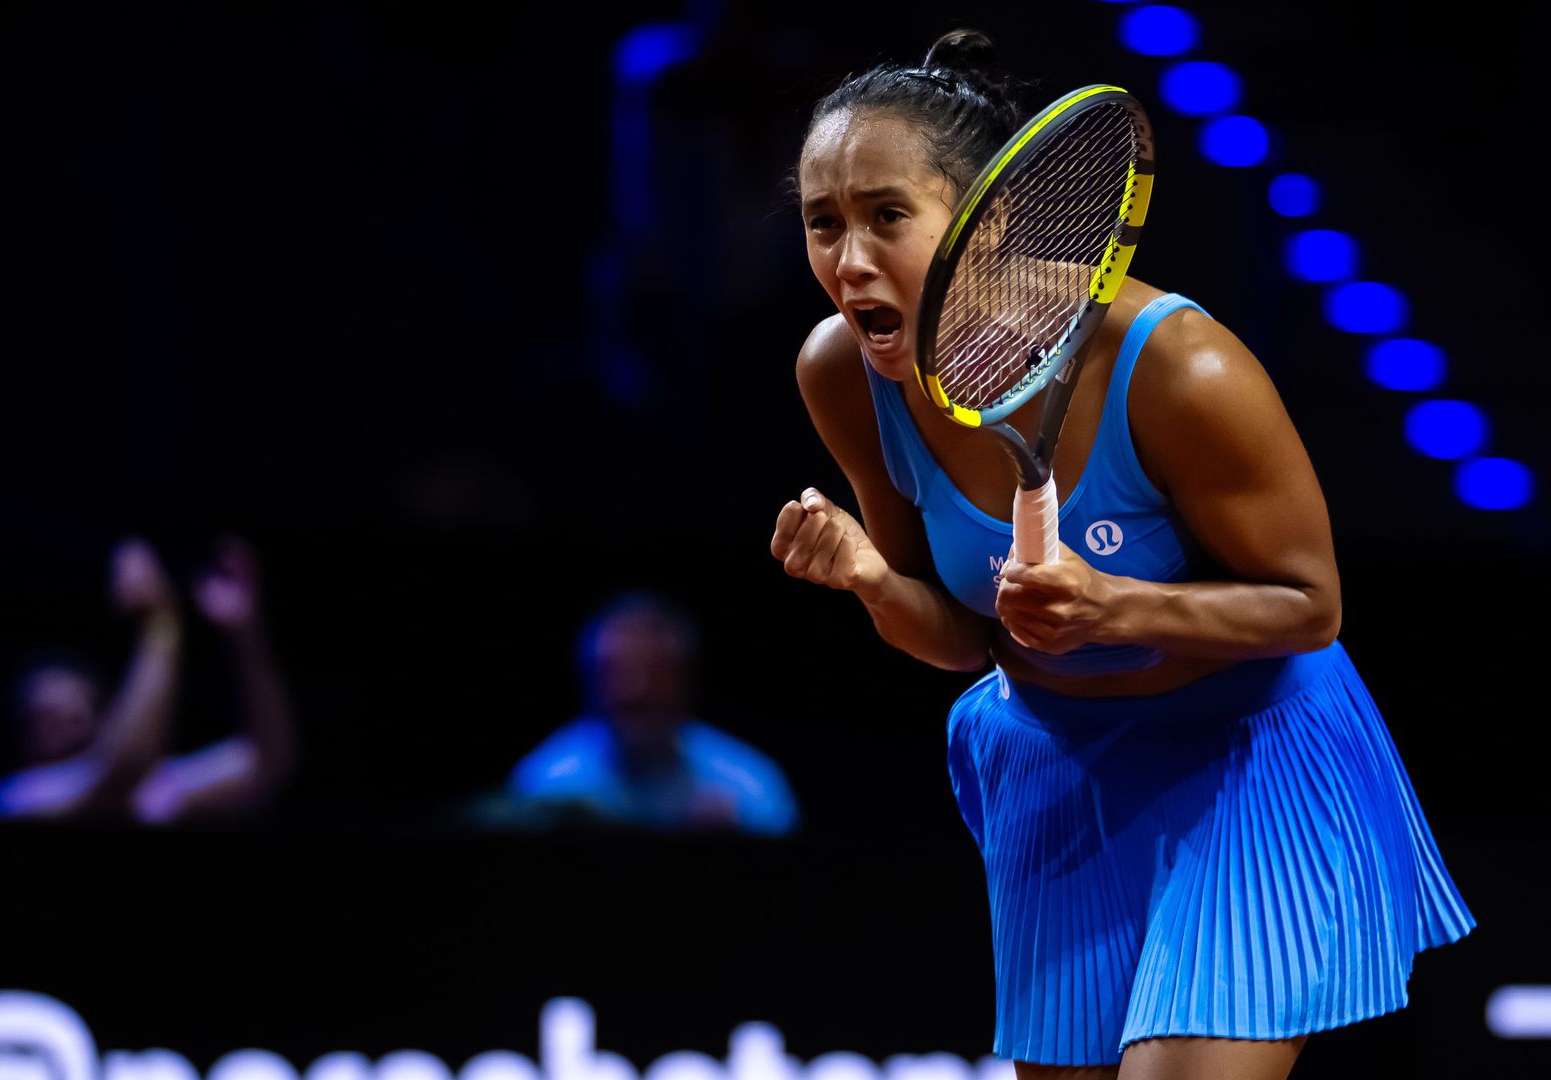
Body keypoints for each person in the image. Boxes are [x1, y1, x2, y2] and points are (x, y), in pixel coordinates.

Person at [768, 29, 1475, 1080]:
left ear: (991, 219)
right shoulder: (841, 373)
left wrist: (1116, 608)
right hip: (1060, 767)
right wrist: (872, 579)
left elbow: (1309, 605)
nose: (849, 259)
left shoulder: (1178, 367)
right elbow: (964, 641)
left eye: (887, 216)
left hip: (1247, 753)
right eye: (824, 223)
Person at [0, 534, 298, 823]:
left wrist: (246, 636)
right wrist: (159, 622)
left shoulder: (150, 787)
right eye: (47, 717)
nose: (66, 727)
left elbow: (266, 761)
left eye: (77, 715)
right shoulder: (16, 800)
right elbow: (122, 772)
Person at [494, 592, 799, 837]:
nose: (633, 689)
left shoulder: (750, 786)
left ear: (684, 678)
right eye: (614, 671)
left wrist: (734, 851)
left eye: (654, 671)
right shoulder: (544, 783)